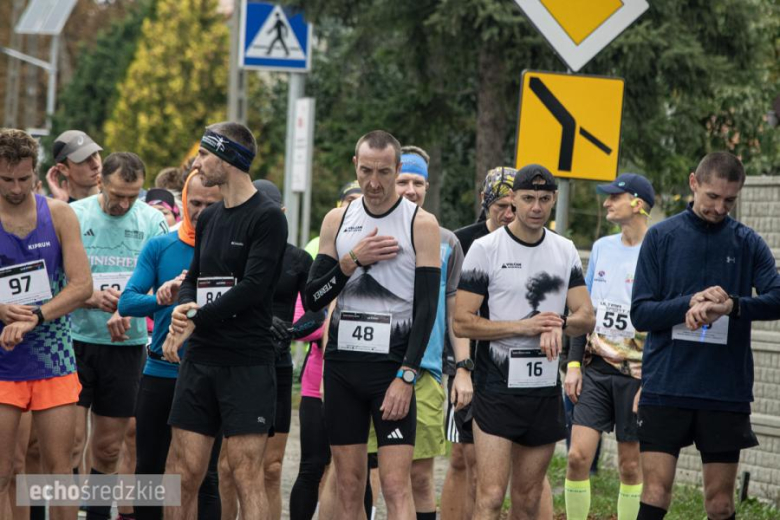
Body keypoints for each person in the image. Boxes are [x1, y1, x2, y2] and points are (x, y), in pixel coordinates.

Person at [631, 152, 780, 520]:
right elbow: (641, 313)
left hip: (723, 390)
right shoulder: (661, 237)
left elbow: (777, 298)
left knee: (720, 503)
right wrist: (689, 303)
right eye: (712, 197)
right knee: (655, 493)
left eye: (730, 200)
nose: (719, 207)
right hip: (666, 385)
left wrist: (733, 306)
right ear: (693, 182)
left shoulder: (747, 242)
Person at [304, 130, 441, 520]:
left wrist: (407, 374)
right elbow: (313, 299)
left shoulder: (420, 223)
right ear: (355, 166)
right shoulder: (338, 219)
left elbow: (427, 307)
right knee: (349, 486)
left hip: (391, 370)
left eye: (384, 172)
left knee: (397, 487)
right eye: (366, 171)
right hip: (343, 369)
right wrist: (351, 262)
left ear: (398, 170)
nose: (374, 182)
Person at [454, 164, 595, 520]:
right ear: (513, 200)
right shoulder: (486, 249)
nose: (536, 206)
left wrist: (558, 324)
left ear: (554, 200)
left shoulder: (564, 250)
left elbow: (586, 316)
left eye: (544, 199)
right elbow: (462, 322)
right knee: (489, 497)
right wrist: (524, 327)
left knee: (530, 497)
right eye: (528, 198)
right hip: (497, 389)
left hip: (543, 390)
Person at [163, 122, 288, 520]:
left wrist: (198, 317)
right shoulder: (210, 216)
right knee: (183, 473)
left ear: (228, 158)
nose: (197, 163)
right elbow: (194, 278)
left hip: (247, 361)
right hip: (201, 359)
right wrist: (183, 311)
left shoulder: (268, 218)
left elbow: (254, 287)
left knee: (244, 473)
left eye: (204, 154)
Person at [117, 171, 222, 520]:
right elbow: (128, 303)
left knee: (205, 475)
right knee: (150, 469)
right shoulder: (161, 246)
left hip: (210, 372)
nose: (202, 211)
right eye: (195, 203)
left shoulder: (232, 251)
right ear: (182, 203)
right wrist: (162, 298)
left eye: (211, 204)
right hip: (162, 370)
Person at [69, 152, 168, 520]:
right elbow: (55, 278)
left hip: (124, 347)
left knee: (109, 448)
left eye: (133, 195)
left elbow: (163, 285)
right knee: (70, 444)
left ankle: (96, 514)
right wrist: (89, 296)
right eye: (117, 194)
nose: (124, 203)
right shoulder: (75, 215)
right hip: (75, 340)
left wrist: (128, 307)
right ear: (100, 183)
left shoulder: (153, 221)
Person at [0, 128, 93, 520]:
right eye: (6, 180)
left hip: (52, 356)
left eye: (24, 178)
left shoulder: (58, 214)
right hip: (4, 360)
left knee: (59, 473)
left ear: (35, 175)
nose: (17, 188)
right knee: (5, 469)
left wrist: (37, 315)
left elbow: (82, 284)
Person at [563, 173, 655, 520]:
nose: (606, 203)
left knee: (630, 466)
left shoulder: (658, 249)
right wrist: (573, 365)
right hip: (596, 368)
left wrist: (651, 381)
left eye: (614, 197)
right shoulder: (602, 246)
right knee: (576, 457)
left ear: (638, 203)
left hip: (637, 375)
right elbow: (582, 310)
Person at [391, 146, 472, 520]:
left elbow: (454, 307)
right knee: (371, 475)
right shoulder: (370, 229)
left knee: (420, 477)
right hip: (374, 367)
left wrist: (463, 367)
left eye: (417, 182)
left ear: (427, 186)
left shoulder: (447, 241)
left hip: (425, 370)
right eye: (403, 180)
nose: (410, 189)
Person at [442, 166, 515, 520]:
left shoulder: (537, 241)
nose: (510, 214)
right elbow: (450, 306)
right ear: (485, 202)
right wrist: (461, 367)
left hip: (515, 365)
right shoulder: (462, 241)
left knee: (515, 464)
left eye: (517, 205)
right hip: (468, 360)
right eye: (502, 205)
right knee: (461, 456)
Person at [46, 130, 103, 203]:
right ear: (64, 169)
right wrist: (60, 206)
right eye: (84, 159)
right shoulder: (50, 206)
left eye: (95, 154)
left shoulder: (116, 198)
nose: (96, 165)